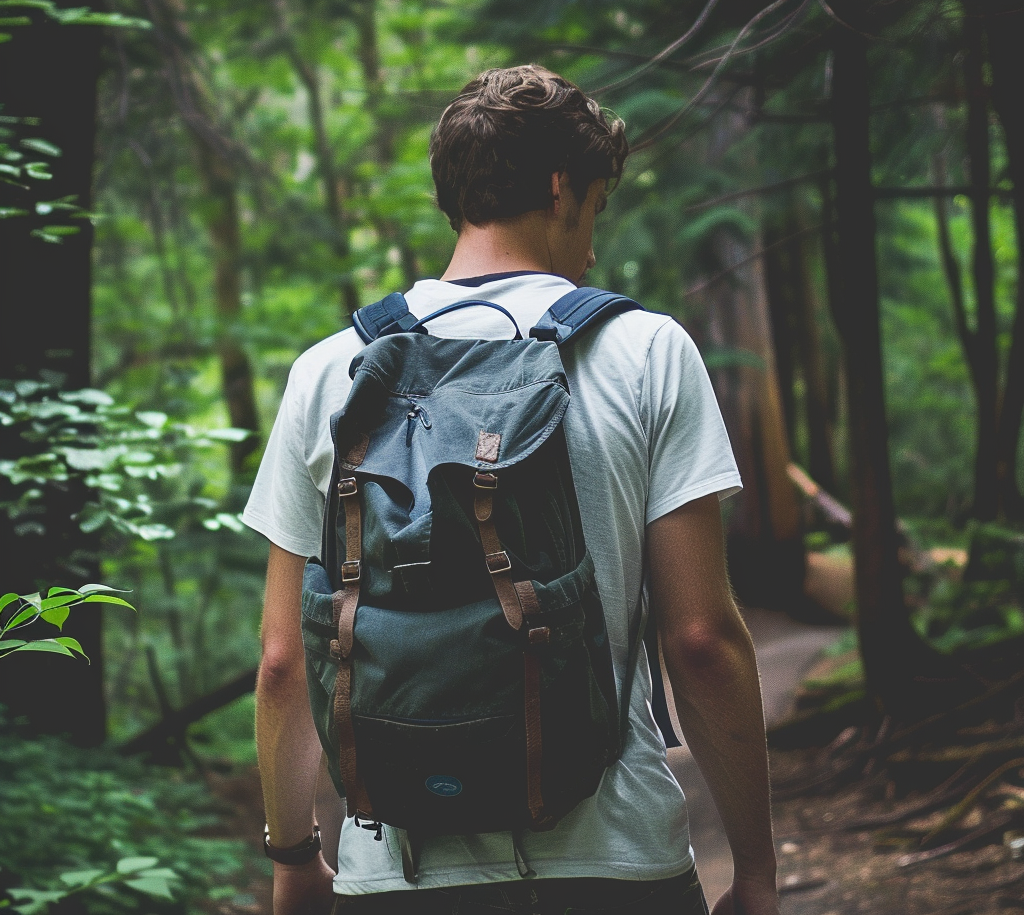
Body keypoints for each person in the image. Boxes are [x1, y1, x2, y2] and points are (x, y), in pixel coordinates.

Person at [242, 64, 780, 915]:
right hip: (614, 866)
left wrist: (294, 858)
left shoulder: (329, 372)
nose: (593, 245)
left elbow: (282, 663)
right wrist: (755, 872)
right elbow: (703, 638)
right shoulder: (647, 351)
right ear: (563, 189)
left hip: (399, 874)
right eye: (597, 209)